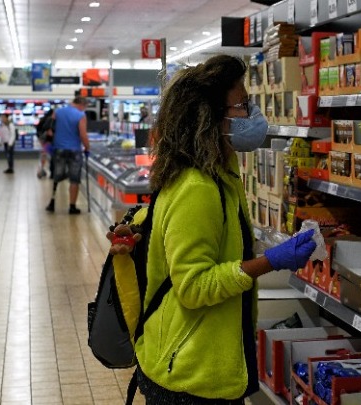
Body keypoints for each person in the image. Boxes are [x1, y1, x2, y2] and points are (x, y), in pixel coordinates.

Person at [107, 55, 317, 404]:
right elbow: (193, 287)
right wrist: (270, 261)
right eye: (243, 105)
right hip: (189, 375)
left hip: (195, 360)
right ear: (210, 116)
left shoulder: (216, 173)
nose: (252, 115)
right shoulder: (199, 188)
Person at [45, 97, 90, 214]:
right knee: (75, 179)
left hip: (59, 148)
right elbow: (83, 135)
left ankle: (52, 202)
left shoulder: (58, 112)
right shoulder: (81, 115)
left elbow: (50, 129)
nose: (84, 109)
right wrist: (87, 147)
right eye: (85, 107)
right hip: (75, 150)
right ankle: (72, 206)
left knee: (57, 175)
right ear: (82, 104)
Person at [35, 109, 54, 179]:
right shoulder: (50, 121)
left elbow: (38, 130)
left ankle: (41, 171)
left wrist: (40, 139)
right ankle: (42, 171)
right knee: (48, 156)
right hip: (48, 141)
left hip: (43, 140)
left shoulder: (42, 120)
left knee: (44, 155)